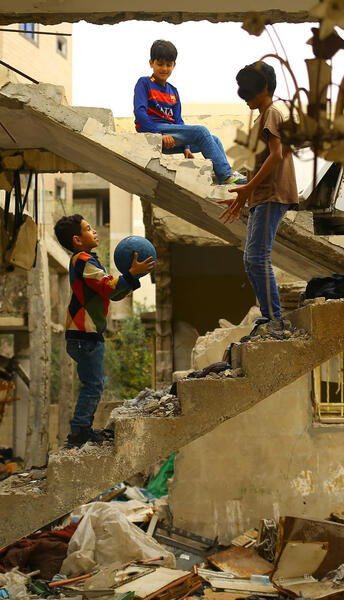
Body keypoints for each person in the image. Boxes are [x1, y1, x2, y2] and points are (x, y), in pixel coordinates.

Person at [54, 214, 155, 448]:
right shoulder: (83, 260)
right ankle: (79, 431)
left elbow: (113, 293)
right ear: (77, 240)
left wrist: (132, 276)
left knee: (94, 383)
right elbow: (107, 286)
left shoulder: (90, 260)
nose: (95, 231)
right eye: (89, 229)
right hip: (84, 334)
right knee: (93, 384)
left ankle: (82, 429)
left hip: (88, 333)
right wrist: (130, 274)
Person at [218, 61, 298, 339]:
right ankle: (269, 317)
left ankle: (275, 320)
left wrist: (249, 188)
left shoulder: (272, 113)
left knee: (257, 257)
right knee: (251, 259)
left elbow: (276, 156)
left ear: (262, 87)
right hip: (260, 196)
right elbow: (259, 160)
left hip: (271, 194)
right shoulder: (261, 117)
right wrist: (243, 194)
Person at [134, 39, 246, 186]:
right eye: (160, 64)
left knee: (214, 140)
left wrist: (186, 147)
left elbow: (178, 121)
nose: (164, 68)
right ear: (151, 63)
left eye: (169, 64)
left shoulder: (173, 91)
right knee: (201, 131)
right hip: (152, 132)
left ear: (174, 65)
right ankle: (226, 174)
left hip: (171, 136)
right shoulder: (144, 83)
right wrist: (159, 134)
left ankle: (224, 183)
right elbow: (140, 113)